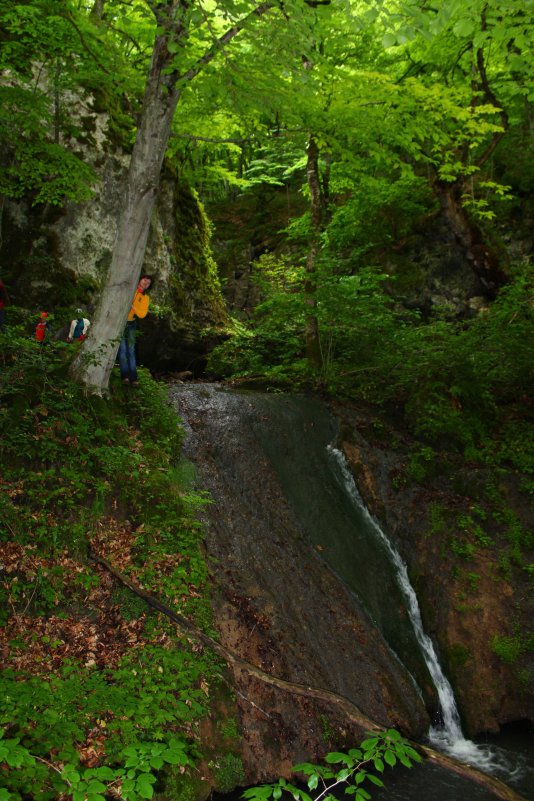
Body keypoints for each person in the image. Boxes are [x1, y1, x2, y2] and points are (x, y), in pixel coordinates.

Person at [118, 275, 153, 385]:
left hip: (131, 324)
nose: (146, 283)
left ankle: (134, 378)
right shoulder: (130, 290)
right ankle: (125, 377)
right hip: (121, 323)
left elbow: (142, 314)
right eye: (144, 280)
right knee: (123, 351)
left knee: (131, 351)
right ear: (139, 280)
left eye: (148, 283)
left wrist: (133, 307)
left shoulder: (145, 298)